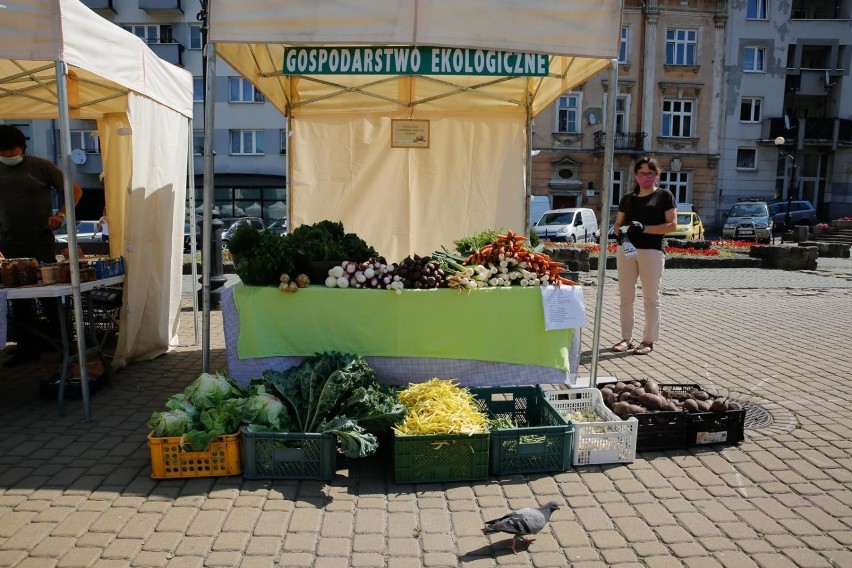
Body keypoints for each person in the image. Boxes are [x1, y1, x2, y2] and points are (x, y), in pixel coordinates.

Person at [0, 125, 83, 367]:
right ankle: (27, 349)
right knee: (17, 300)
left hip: (40, 241)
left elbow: (74, 190)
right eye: (1, 151)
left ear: (22, 148)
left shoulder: (41, 166)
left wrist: (61, 214)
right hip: (6, 243)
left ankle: (67, 348)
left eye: (10, 150)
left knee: (50, 296)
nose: (6, 154)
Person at [610, 156, 677, 356]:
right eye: (642, 173)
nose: (645, 177)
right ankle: (626, 338)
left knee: (650, 298)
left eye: (650, 173)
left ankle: (648, 340)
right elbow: (617, 223)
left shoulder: (664, 196)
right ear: (636, 175)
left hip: (652, 251)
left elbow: (672, 225)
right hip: (627, 250)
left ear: (657, 175)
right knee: (626, 297)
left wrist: (644, 228)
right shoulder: (628, 198)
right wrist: (620, 234)